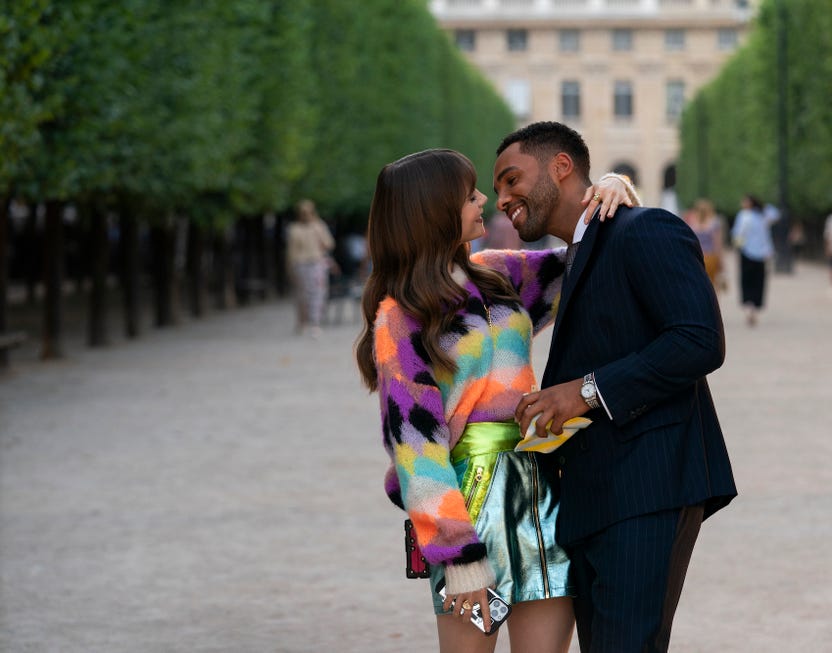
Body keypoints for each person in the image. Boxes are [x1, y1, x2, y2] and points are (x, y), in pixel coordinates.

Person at [354, 149, 637, 653]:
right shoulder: (400, 319)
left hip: (541, 491)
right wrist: (457, 554)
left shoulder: (497, 274)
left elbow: (592, 257)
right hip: (468, 503)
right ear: (433, 210)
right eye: (469, 195)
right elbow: (416, 448)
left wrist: (614, 187)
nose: (485, 199)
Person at [495, 121, 736, 653]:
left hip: (647, 484)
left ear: (561, 167)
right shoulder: (570, 258)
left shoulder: (645, 228)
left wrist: (579, 392)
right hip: (596, 496)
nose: (503, 198)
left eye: (511, 180)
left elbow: (699, 340)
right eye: (494, 191)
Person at [287, 199, 335, 337]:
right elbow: (291, 251)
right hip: (300, 265)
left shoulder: (319, 226)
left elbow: (329, 244)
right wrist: (290, 268)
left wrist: (317, 231)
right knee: (302, 295)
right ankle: (302, 321)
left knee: (318, 293)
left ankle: (315, 322)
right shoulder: (294, 229)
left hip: (317, 263)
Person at [731, 195, 779, 327]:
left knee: (746, 281)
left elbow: (738, 234)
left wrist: (736, 247)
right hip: (761, 254)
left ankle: (748, 306)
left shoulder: (744, 215)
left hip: (746, 252)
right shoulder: (763, 215)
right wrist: (762, 206)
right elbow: (775, 213)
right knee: (759, 281)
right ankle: (754, 308)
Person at [684, 198, 726, 293]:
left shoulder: (691, 224)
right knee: (713, 287)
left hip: (696, 258)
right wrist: (721, 261)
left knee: (697, 286)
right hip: (710, 257)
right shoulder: (714, 224)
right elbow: (717, 244)